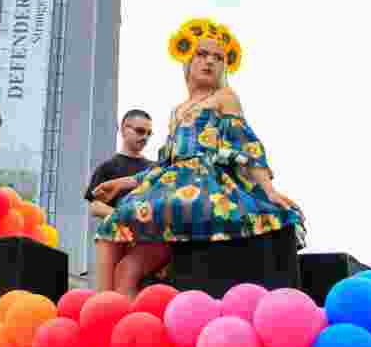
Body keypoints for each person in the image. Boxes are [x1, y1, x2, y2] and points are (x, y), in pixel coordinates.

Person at [92, 18, 306, 298]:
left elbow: (248, 146)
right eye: (202, 54)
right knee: (122, 260)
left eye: (218, 58)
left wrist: (269, 190)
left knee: (119, 227)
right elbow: (164, 164)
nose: (209, 62)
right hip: (169, 190)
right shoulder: (177, 110)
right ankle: (105, 320)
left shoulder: (225, 97)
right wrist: (121, 183)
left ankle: (110, 318)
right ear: (188, 61)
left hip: (203, 191)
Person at [84, 109, 156, 290]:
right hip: (114, 242)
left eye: (149, 133)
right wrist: (123, 216)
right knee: (109, 294)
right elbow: (94, 206)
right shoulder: (107, 168)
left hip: (146, 242)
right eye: (140, 131)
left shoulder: (153, 169)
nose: (145, 137)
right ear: (124, 129)